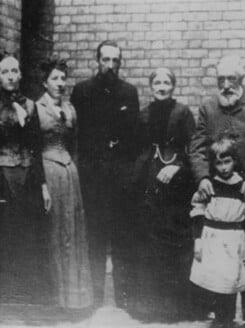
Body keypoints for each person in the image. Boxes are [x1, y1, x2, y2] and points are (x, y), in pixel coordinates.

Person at [189, 55, 245, 328]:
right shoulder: (207, 108)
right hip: (219, 195)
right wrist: (203, 177)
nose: (226, 85)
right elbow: (197, 146)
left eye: (232, 79)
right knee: (221, 263)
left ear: (241, 79)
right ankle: (224, 318)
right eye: (221, 80)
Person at [70, 40, 140, 308]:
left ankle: (123, 296)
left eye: (115, 61)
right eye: (105, 60)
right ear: (97, 61)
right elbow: (77, 135)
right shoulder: (82, 91)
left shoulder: (128, 92)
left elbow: (132, 137)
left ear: (120, 63)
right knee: (94, 236)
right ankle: (95, 295)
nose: (110, 66)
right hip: (92, 178)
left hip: (120, 178)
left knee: (121, 235)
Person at [131, 67, 195, 320]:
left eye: (166, 82)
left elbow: (194, 150)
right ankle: (151, 308)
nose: (161, 86)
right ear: (151, 86)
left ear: (173, 86)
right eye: (156, 82)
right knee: (150, 241)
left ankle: (177, 309)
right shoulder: (144, 114)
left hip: (176, 184)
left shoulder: (182, 113)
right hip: (149, 181)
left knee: (175, 242)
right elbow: (137, 147)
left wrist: (177, 166)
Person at [36, 55, 93, 310]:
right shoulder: (36, 109)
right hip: (48, 172)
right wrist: (41, 184)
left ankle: (74, 300)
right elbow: (34, 147)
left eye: (63, 78)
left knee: (72, 231)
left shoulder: (71, 110)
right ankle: (53, 300)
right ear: (44, 82)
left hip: (70, 174)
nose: (60, 83)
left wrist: (74, 169)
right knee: (54, 230)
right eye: (54, 78)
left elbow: (76, 145)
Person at [189, 134, 245, 328]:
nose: (223, 167)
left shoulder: (243, 186)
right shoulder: (209, 186)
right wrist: (198, 241)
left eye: (227, 162)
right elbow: (197, 212)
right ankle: (219, 320)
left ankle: (227, 321)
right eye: (219, 163)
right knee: (214, 282)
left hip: (234, 239)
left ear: (235, 161)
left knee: (230, 283)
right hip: (212, 238)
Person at [0, 52, 52, 303]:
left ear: (20, 75)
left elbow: (36, 146)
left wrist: (43, 185)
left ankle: (25, 297)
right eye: (4, 72)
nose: (10, 77)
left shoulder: (30, 106)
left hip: (28, 175)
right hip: (2, 177)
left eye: (14, 71)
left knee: (27, 235)